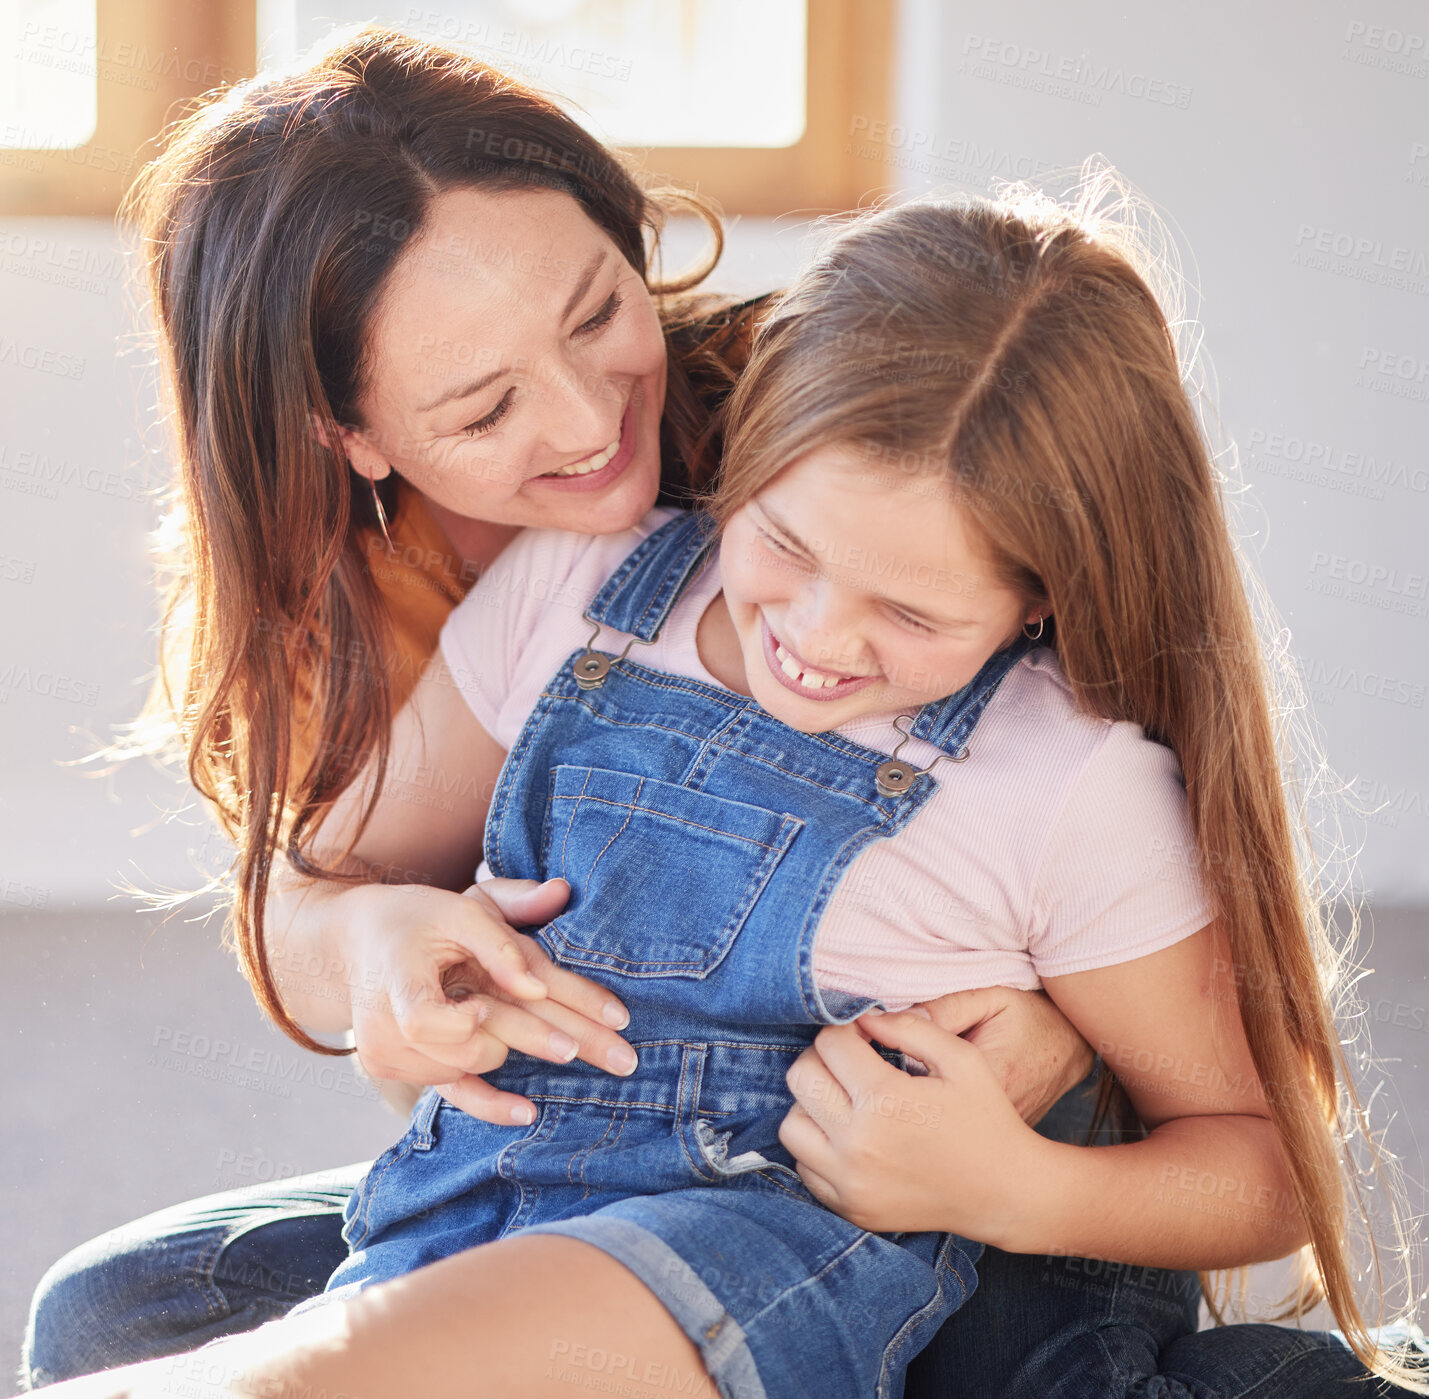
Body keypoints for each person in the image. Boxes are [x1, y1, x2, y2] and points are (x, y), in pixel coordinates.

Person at [18, 27, 1423, 1399]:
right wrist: (371, 940)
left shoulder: (861, 409)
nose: (584, 423)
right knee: (121, 1313)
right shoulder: (520, 595)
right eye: (487, 403)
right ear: (349, 434)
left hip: (880, 1198)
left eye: (593, 314)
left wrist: (1045, 1095)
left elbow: (1228, 1118)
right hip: (558, 1185)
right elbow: (314, 885)